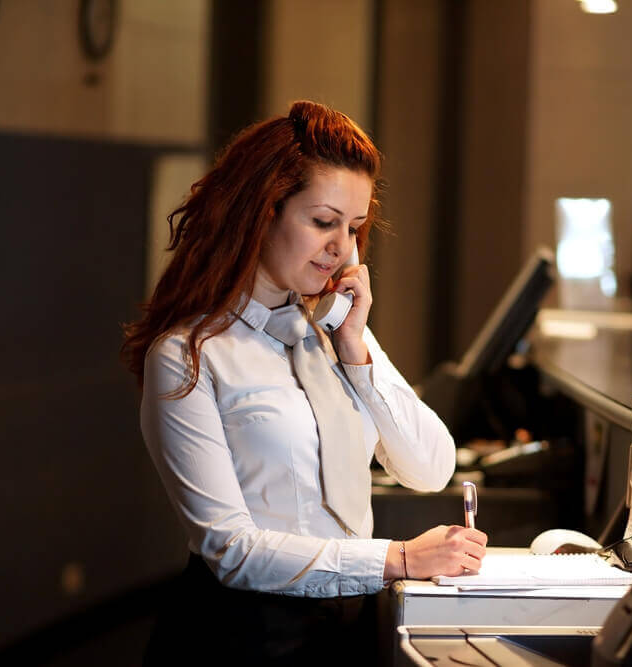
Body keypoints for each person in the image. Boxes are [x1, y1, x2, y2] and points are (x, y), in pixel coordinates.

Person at [121, 100, 488, 664]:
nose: (343, 247)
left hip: (349, 626)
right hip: (242, 636)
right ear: (261, 213)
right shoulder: (187, 355)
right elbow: (231, 549)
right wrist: (399, 560)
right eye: (322, 222)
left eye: (355, 227)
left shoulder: (336, 333)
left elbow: (430, 467)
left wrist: (356, 352)